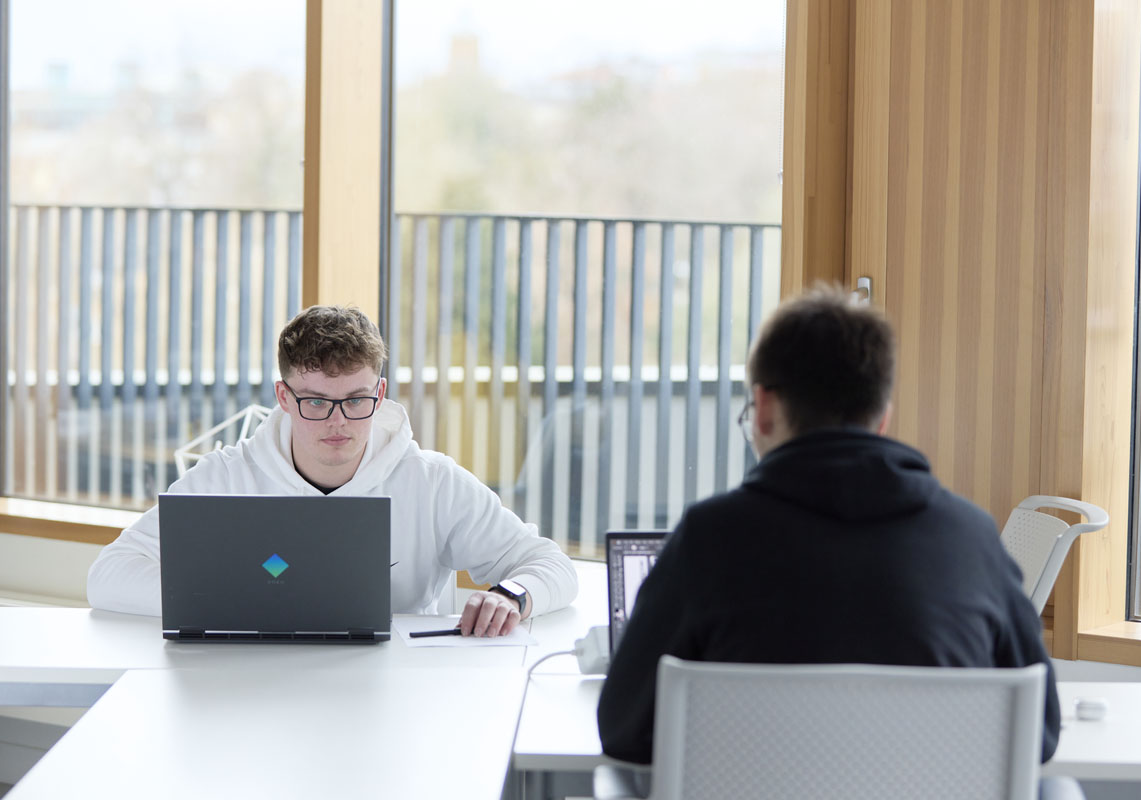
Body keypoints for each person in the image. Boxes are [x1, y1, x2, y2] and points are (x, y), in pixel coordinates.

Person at [596, 285, 1060, 763]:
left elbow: (623, 728)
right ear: (881, 418)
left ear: (766, 407)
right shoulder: (972, 538)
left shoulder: (709, 539)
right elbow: (1039, 731)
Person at [87, 305, 577, 636]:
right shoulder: (225, 476)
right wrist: (232, 600)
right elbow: (108, 575)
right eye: (317, 401)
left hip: (401, 688)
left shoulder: (430, 481)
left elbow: (551, 566)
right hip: (256, 686)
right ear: (284, 397)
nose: (338, 421)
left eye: (357, 400)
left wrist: (512, 597)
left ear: (379, 394)